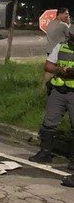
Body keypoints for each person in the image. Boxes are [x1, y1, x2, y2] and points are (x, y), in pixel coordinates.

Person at [29, 25, 74, 172]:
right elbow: (48, 65)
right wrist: (59, 70)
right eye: (71, 36)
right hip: (59, 91)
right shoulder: (61, 47)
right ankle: (45, 153)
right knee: (49, 123)